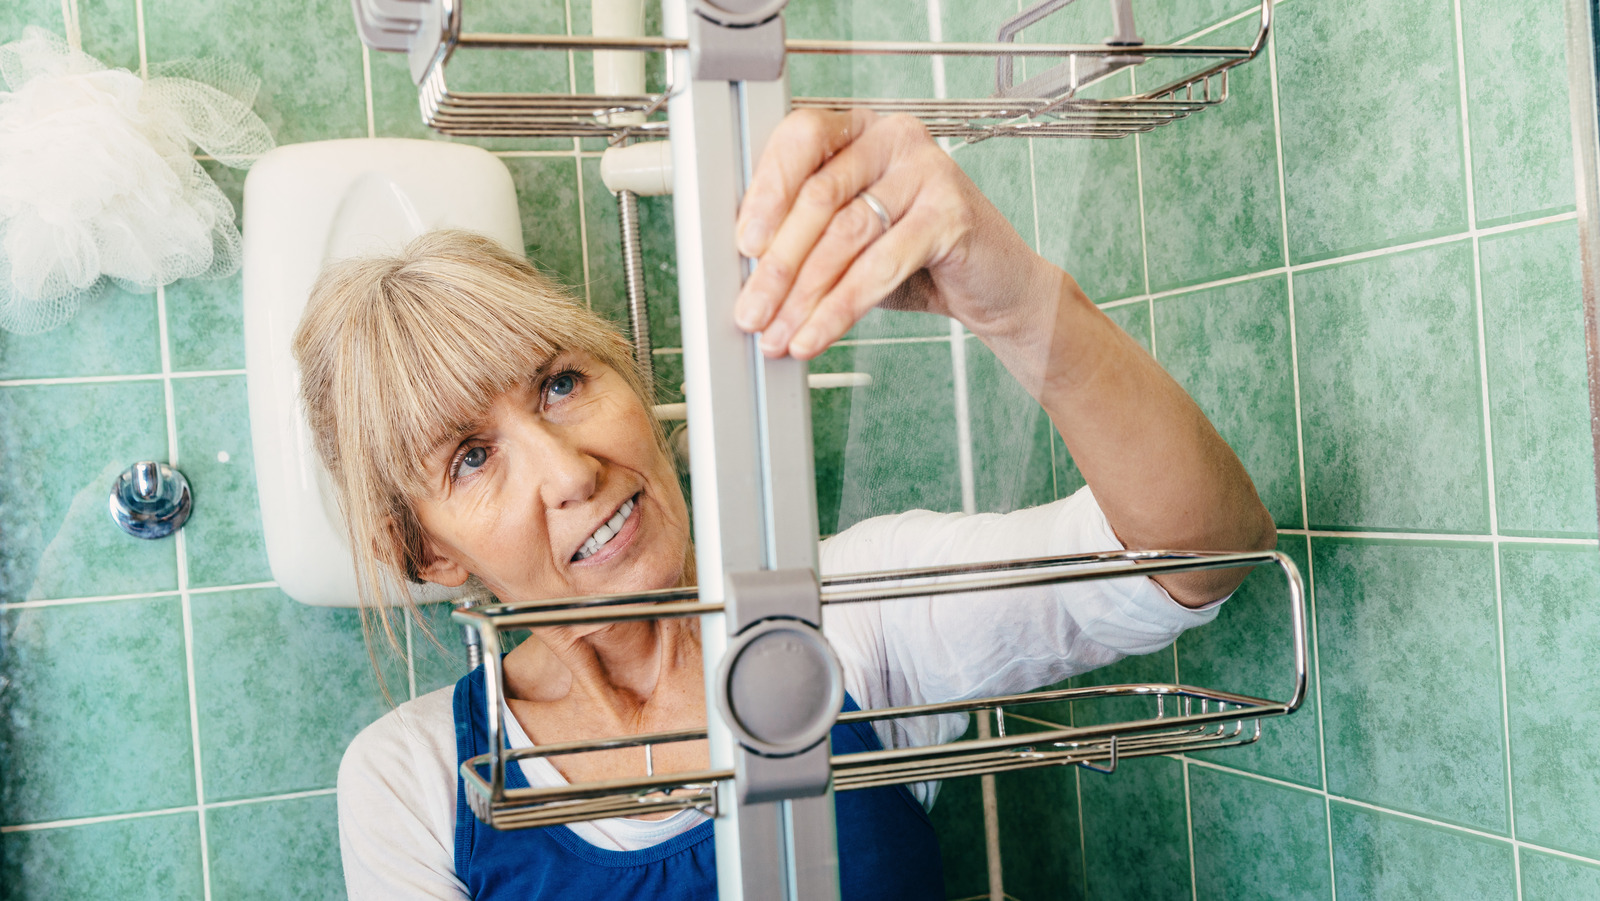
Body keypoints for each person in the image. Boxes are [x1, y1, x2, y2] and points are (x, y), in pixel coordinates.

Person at [304, 109, 1275, 900]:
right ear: (425, 551)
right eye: (472, 458)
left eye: (561, 383)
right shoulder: (418, 781)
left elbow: (1191, 552)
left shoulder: (845, 612)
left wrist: (1017, 301)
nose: (567, 471)